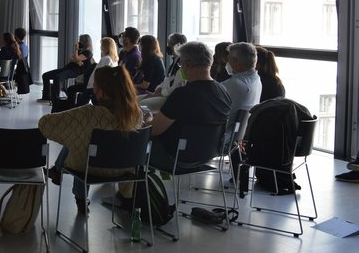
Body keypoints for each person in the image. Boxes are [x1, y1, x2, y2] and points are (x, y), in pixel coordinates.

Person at [39, 66, 143, 215]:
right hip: (124, 170)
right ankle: (57, 171)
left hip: (91, 169)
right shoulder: (136, 114)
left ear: (100, 91)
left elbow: (45, 124)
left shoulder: (88, 113)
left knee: (79, 141)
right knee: (83, 139)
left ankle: (71, 188)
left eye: (94, 85)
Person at [150, 41, 232, 171]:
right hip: (208, 155)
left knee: (136, 141)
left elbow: (154, 130)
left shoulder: (182, 94)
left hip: (176, 158)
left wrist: (147, 119)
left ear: (188, 65)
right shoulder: (223, 91)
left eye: (180, 64)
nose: (180, 68)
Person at [40, 34, 94, 103]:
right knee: (45, 75)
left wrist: (76, 50)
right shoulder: (81, 51)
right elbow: (71, 58)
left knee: (57, 77)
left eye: (81, 41)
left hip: (75, 71)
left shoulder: (88, 52)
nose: (79, 42)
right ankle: (46, 97)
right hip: (68, 68)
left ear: (85, 42)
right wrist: (77, 61)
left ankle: (55, 99)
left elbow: (76, 58)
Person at [220, 42, 262, 131]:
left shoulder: (233, 84)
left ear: (238, 63)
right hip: (239, 134)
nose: (227, 63)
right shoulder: (257, 80)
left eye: (229, 59)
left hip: (224, 134)